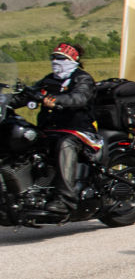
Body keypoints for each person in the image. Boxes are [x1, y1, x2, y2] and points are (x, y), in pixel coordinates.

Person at [32, 42, 96, 213]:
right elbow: (29, 93)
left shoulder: (82, 78)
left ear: (72, 60)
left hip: (78, 131)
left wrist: (57, 100)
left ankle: (65, 200)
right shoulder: (49, 79)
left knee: (65, 144)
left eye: (61, 58)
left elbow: (79, 98)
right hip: (49, 130)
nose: (55, 61)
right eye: (53, 57)